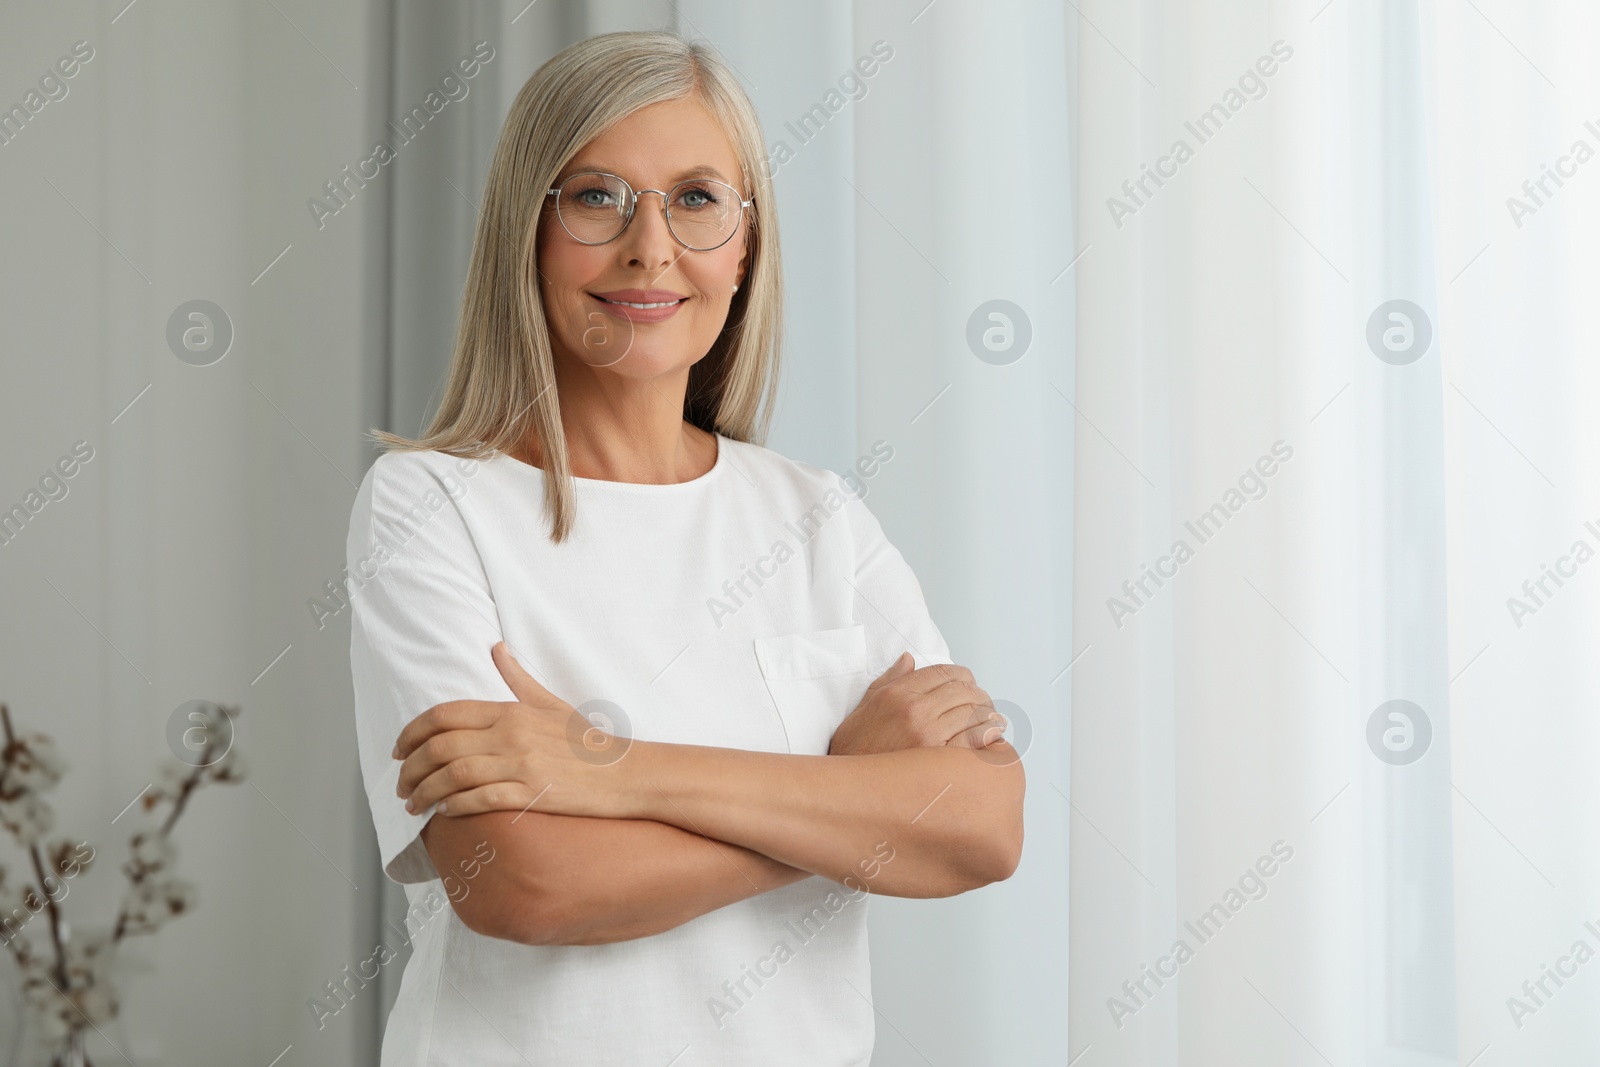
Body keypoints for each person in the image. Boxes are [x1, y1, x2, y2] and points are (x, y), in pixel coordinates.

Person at [346, 29, 1024, 1067]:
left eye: (697, 198)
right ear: (525, 234)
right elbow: (521, 881)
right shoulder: (430, 505)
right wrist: (842, 791)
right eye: (595, 195)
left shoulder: (818, 517)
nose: (649, 247)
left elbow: (982, 823)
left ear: (745, 246)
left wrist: (608, 770)